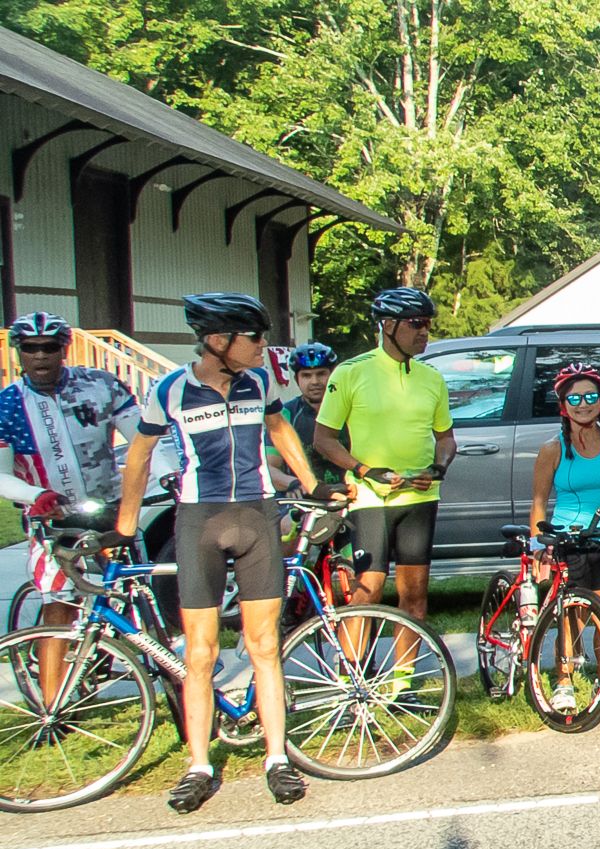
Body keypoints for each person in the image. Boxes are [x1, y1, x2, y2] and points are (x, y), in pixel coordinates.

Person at [114, 293, 335, 812]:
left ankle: (276, 758)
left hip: (256, 515)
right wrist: (125, 527)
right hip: (199, 521)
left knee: (263, 645)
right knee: (200, 653)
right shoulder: (169, 390)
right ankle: (198, 765)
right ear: (219, 341)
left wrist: (311, 484)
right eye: (255, 337)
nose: (264, 346)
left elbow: (279, 429)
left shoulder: (259, 382)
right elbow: (140, 457)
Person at [0, 312, 141, 721]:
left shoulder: (100, 386)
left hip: (110, 509)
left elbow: (143, 438)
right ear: (20, 352)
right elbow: (1, 475)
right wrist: (35, 495)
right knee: (58, 601)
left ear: (64, 349)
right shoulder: (9, 404)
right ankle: (53, 706)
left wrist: (164, 472)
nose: (40, 356)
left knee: (135, 587)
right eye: (31, 348)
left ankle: (153, 663)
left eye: (50, 347)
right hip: (52, 517)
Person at [314, 287, 454, 628]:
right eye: (416, 323)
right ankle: (352, 675)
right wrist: (365, 470)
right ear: (388, 325)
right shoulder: (350, 372)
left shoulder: (432, 378)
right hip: (370, 496)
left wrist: (437, 468)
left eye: (428, 324)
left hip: (419, 496)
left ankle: (401, 680)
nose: (424, 332)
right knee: (368, 590)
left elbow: (446, 438)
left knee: (415, 595)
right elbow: (323, 440)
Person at [528, 363, 600, 712]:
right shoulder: (552, 449)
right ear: (563, 405)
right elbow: (539, 502)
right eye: (574, 398)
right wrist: (538, 548)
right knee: (570, 615)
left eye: (590, 396)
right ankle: (564, 681)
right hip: (565, 540)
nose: (583, 404)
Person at [268, 343, 345, 492]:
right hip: (305, 497)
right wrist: (297, 485)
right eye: (306, 376)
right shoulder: (285, 414)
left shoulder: (351, 409)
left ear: (333, 374)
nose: (314, 381)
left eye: (321, 374)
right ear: (297, 379)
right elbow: (271, 467)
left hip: (353, 493)